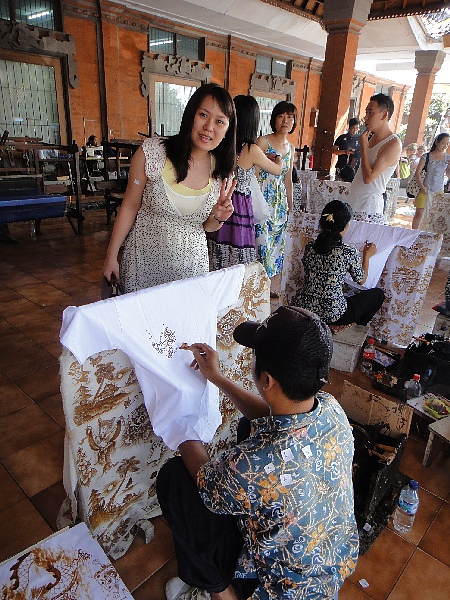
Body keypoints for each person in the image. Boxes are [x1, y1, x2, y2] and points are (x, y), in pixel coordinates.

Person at [157, 305, 359, 600]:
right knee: (248, 426)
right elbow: (271, 416)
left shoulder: (251, 464)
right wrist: (217, 378)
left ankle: (222, 592)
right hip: (326, 568)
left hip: (276, 590)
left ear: (267, 380)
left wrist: (180, 422)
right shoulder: (331, 408)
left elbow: (205, 479)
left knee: (175, 479)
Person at [103, 83, 237, 292]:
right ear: (191, 114)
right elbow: (129, 206)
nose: (209, 127)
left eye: (219, 121)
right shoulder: (152, 152)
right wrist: (111, 254)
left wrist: (219, 216)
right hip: (142, 267)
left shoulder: (223, 173)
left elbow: (208, 227)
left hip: (191, 272)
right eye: (203, 115)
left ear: (228, 129)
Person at [207, 95, 282, 270]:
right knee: (239, 250)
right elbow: (278, 170)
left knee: (216, 242)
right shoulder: (251, 149)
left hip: (219, 200)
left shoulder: (221, 144)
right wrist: (278, 158)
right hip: (239, 205)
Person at [293, 200, 384, 328]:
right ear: (345, 226)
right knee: (378, 295)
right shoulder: (347, 251)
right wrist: (367, 256)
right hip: (332, 314)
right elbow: (361, 280)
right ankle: (355, 329)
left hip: (305, 308)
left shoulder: (310, 246)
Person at [255, 101, 297, 298]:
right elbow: (253, 173)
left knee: (277, 245)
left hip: (279, 204)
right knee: (262, 242)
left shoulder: (291, 148)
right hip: (263, 198)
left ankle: (270, 286)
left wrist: (291, 205)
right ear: (274, 119)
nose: (285, 120)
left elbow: (288, 179)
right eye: (281, 116)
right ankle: (258, 286)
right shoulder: (263, 142)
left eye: (290, 117)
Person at [347, 93, 402, 224]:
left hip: (369, 206)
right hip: (355, 201)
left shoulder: (393, 143)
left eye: (370, 112)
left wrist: (363, 147)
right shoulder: (370, 137)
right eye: (366, 112)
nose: (366, 117)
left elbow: (369, 178)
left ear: (384, 115)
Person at [412, 132, 450, 229]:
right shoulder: (427, 156)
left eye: (447, 143)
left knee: (434, 216)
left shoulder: (447, 158)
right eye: (443, 143)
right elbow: (418, 173)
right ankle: (413, 234)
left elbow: (448, 175)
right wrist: (422, 187)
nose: (445, 146)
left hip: (438, 191)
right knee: (419, 214)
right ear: (437, 142)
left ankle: (429, 235)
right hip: (425, 189)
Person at [332, 117, 361, 182]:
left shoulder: (360, 139)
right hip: (341, 166)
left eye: (357, 128)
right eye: (353, 128)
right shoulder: (342, 137)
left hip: (353, 169)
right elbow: (333, 151)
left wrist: (354, 152)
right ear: (349, 127)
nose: (355, 131)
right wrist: (345, 152)